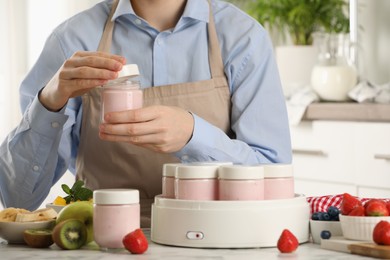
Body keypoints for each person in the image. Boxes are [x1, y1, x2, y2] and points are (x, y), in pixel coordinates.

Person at [0, 0, 291, 225]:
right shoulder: (72, 39)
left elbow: (274, 183)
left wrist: (194, 135)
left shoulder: (243, 38)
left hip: (215, 236)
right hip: (101, 243)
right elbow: (18, 199)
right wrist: (50, 101)